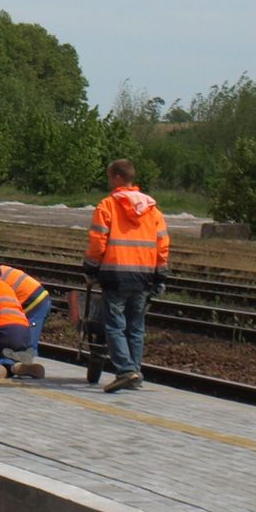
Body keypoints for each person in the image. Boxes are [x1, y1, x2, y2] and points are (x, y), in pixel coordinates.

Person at [82, 158, 170, 393]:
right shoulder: (152, 209)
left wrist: (90, 267)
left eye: (110, 177)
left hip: (115, 274)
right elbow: (162, 244)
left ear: (117, 177)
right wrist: (161, 274)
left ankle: (125, 371)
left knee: (114, 325)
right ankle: (135, 373)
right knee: (135, 326)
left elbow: (98, 241)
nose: (109, 181)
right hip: (143, 275)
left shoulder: (108, 206)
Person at [0, 263, 51, 352]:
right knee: (26, 333)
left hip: (34, 302)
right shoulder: (0, 270)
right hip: (38, 298)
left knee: (30, 342)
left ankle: (27, 359)